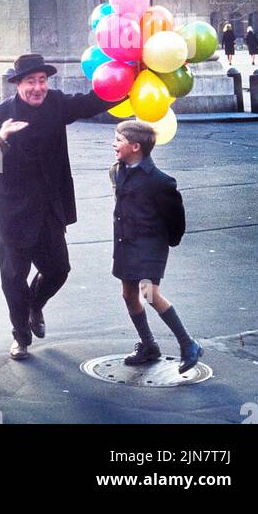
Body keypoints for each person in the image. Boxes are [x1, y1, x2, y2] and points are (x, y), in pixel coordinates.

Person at [0, 53, 105, 360]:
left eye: (42, 80)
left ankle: (35, 303)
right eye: (30, 81)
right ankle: (20, 337)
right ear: (17, 84)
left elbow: (91, 103)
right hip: (14, 211)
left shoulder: (56, 103)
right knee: (13, 278)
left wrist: (129, 83)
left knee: (58, 270)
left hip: (50, 207)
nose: (37, 87)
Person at [110, 121, 202, 374]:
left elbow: (176, 219)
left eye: (119, 140)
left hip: (150, 245)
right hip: (126, 243)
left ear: (135, 147)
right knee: (128, 294)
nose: (114, 144)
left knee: (148, 292)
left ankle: (188, 344)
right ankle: (149, 345)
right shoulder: (118, 170)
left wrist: (168, 241)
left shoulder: (160, 181)